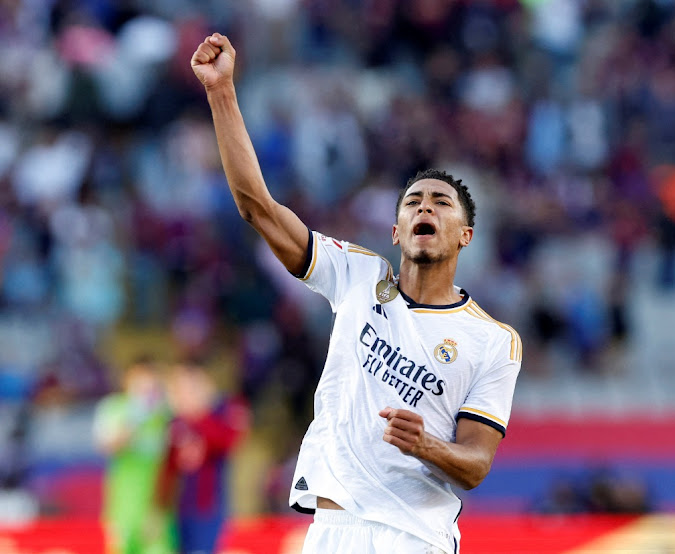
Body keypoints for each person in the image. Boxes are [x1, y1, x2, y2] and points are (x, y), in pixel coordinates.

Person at [191, 33, 522, 554]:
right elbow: (258, 207)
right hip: (331, 531)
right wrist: (222, 92)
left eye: (441, 202)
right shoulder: (356, 276)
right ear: (395, 231)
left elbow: (477, 464)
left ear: (465, 235)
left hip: (415, 537)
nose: (425, 208)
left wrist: (428, 446)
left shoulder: (493, 340)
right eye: (413, 202)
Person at [157, 362, 249, 554]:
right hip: (180, 507)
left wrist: (199, 415)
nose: (184, 394)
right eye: (178, 388)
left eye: (189, 387)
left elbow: (228, 441)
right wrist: (160, 505)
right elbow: (168, 467)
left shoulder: (221, 411)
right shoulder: (175, 421)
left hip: (211, 506)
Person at [92, 357, 176, 554]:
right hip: (123, 505)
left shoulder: (167, 412)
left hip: (158, 506)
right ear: (127, 380)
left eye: (151, 380)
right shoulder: (113, 408)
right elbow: (107, 446)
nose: (145, 386)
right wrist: (136, 416)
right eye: (139, 380)